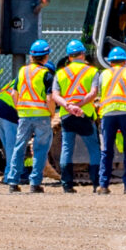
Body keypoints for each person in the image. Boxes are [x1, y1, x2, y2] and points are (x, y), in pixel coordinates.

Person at [3, 39, 55, 193]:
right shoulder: (46, 74)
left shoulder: (22, 72)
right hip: (42, 116)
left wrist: (19, 108)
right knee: (40, 149)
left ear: (31, 56)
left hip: (24, 115)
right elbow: (49, 98)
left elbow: (14, 93)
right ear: (46, 57)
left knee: (19, 147)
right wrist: (52, 113)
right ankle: (35, 183)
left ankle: (13, 182)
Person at [96, 46, 126, 194]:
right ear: (125, 61)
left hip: (108, 115)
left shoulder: (103, 74)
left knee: (107, 150)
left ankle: (103, 185)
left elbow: (100, 93)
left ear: (110, 62)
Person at [52, 40, 100, 193]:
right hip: (85, 114)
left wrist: (69, 106)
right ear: (83, 54)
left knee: (67, 148)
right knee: (93, 148)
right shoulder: (92, 71)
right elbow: (93, 93)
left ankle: (67, 185)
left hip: (67, 115)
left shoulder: (60, 73)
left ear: (69, 57)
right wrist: (79, 106)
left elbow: (55, 95)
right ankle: (97, 184)